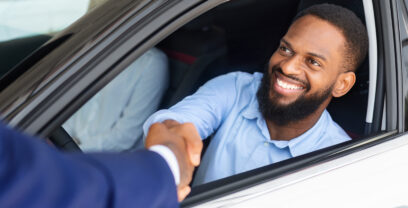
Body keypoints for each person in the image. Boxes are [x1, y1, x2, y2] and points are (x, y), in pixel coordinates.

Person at [0, 34, 202, 208]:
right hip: (68, 157)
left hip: (88, 157)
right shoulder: (93, 50)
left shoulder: (151, 65)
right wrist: (167, 163)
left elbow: (126, 132)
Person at [143, 4, 369, 185]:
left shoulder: (338, 164)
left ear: (342, 84)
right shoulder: (235, 87)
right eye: (285, 49)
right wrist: (171, 149)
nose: (288, 67)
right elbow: (177, 122)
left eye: (312, 62)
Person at [63, 48, 168, 151]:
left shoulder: (152, 62)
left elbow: (127, 136)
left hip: (110, 157)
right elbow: (74, 109)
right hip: (71, 146)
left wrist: (75, 151)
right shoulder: (96, 51)